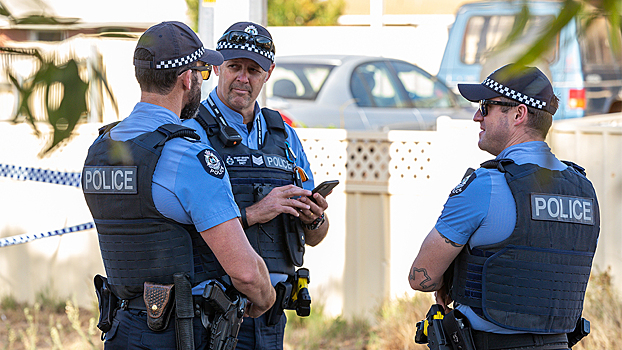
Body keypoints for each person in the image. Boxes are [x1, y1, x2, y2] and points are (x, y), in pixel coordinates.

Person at [81, 21, 275, 349]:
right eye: (202, 72)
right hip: (178, 334)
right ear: (187, 77)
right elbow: (245, 272)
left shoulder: (101, 149)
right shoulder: (186, 157)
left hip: (120, 329)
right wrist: (265, 299)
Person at [408, 64, 599, 350]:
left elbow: (421, 277)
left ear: (518, 114)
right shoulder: (583, 189)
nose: (476, 116)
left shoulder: (487, 185)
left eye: (486, 107)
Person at [182, 21, 330, 350]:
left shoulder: (285, 137)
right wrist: (256, 211)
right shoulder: (190, 131)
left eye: (254, 70)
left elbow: (316, 237)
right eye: (234, 66)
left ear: (269, 72)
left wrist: (314, 217)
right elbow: (176, 229)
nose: (243, 78)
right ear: (218, 66)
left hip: (271, 314)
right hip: (210, 314)